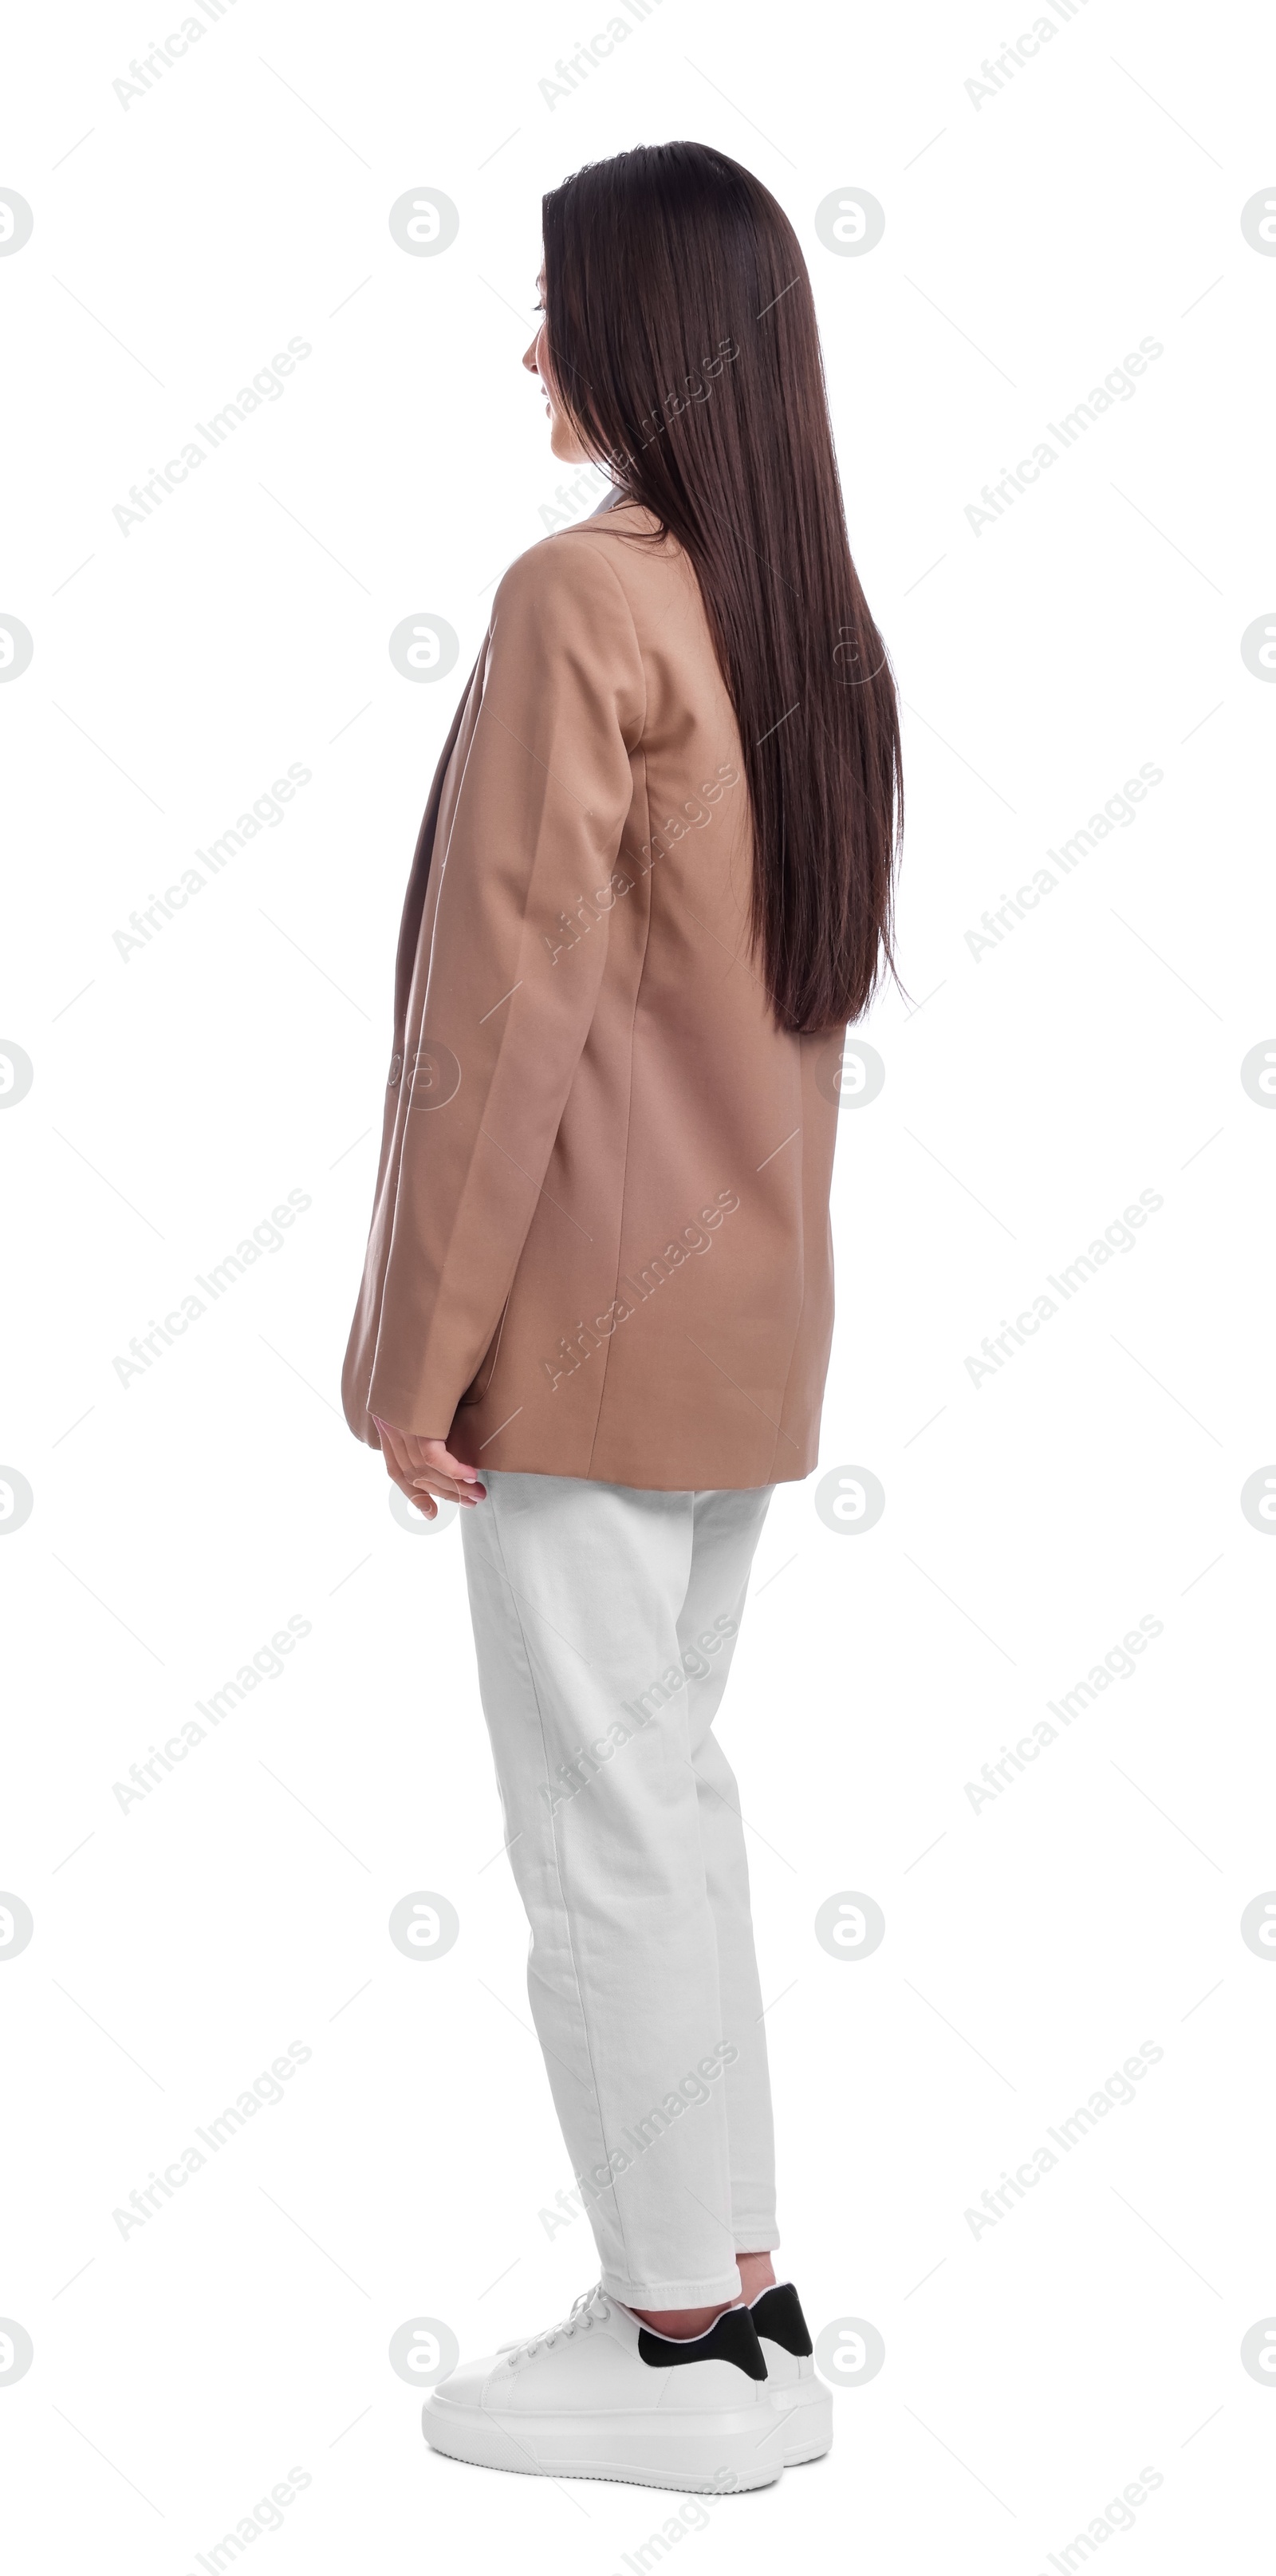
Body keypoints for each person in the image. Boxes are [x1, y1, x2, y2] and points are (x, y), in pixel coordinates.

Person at [342, 138, 901, 2495]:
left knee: (609, 1836)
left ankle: (681, 2351)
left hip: (574, 1331)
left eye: (556, 303)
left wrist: (405, 1357)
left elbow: (506, 1010)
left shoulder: (585, 601)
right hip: (743, 1329)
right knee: (666, 1807)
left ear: (645, 334)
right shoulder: (798, 609)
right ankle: (739, 2299)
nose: (533, 345)